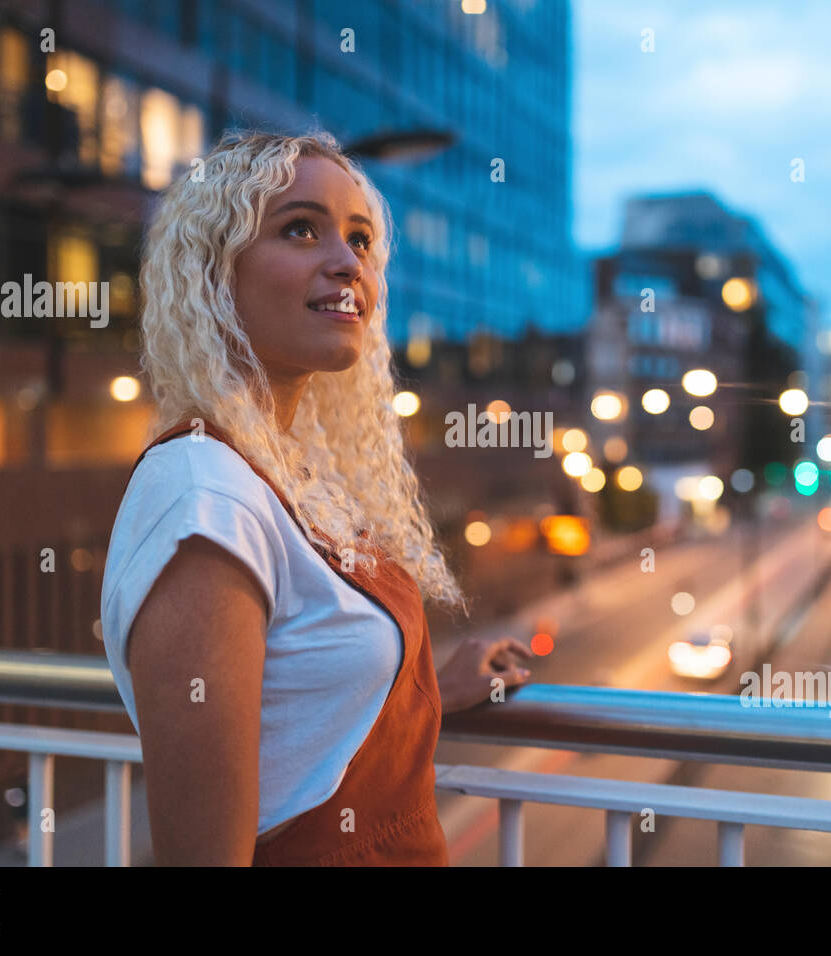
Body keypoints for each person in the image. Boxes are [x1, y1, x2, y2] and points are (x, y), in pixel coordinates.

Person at [100, 130, 533, 866]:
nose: (347, 263)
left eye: (361, 239)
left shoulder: (293, 471)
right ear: (213, 272)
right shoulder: (204, 493)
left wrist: (424, 689)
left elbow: (299, 699)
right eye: (300, 229)